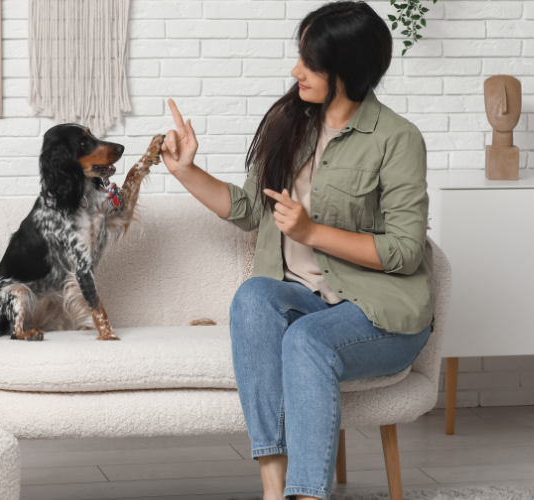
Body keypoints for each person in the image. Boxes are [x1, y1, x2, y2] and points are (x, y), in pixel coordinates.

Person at [160, 2, 434, 499]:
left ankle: (308, 495)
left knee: (307, 340)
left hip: (380, 313)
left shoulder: (397, 139)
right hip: (307, 299)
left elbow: (407, 251)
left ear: (347, 68)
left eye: (309, 62)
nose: (295, 71)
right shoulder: (289, 123)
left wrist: (312, 232)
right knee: (253, 298)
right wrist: (185, 171)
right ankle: (275, 489)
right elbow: (248, 209)